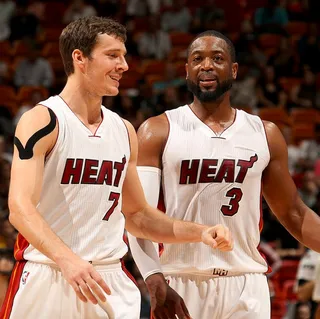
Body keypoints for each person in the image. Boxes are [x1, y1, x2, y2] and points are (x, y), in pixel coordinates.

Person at [0, 18, 234, 319]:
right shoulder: (44, 120)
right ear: (79, 58)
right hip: (50, 273)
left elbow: (137, 216)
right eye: (112, 55)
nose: (123, 65)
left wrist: (202, 233)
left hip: (109, 280)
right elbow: (19, 208)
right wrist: (68, 260)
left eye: (123, 56)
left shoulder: (123, 130)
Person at [128, 30, 320, 319]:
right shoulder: (157, 130)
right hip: (181, 279)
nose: (206, 65)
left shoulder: (265, 134)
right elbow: (138, 216)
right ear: (187, 70)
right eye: (197, 59)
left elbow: (294, 213)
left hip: (247, 282)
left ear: (233, 70)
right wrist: (154, 277)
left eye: (217, 58)